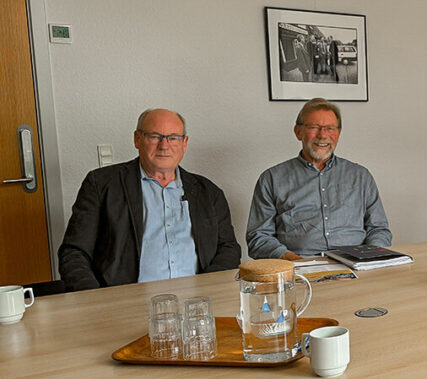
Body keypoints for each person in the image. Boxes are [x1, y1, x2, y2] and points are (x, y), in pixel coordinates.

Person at [58, 109, 241, 292]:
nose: (164, 145)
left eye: (173, 138)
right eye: (155, 136)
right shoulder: (101, 185)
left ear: (184, 143)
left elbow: (228, 248)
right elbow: (74, 252)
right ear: (137, 139)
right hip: (125, 302)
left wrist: (209, 289)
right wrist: (95, 300)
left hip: (196, 303)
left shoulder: (208, 192)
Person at [247, 98, 391, 260]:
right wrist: (289, 258)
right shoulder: (271, 179)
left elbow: (379, 229)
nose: (323, 135)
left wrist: (371, 256)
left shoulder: (361, 176)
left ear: (338, 133)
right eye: (314, 127)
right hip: (299, 267)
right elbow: (258, 237)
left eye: (330, 128)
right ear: (298, 132)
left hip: (358, 264)